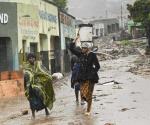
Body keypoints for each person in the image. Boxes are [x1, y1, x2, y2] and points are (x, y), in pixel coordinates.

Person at [69, 37, 100, 115]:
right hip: (82, 77)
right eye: (82, 48)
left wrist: (93, 72)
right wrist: (74, 40)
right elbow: (71, 49)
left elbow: (97, 66)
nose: (82, 49)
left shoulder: (92, 55)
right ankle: (86, 101)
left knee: (89, 93)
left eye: (84, 48)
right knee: (83, 93)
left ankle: (88, 110)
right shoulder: (81, 54)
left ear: (88, 49)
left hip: (91, 78)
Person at [23, 53, 55, 118]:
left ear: (35, 58)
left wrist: (50, 77)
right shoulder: (26, 68)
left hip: (39, 85)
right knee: (32, 101)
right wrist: (27, 88)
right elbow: (26, 79)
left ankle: (46, 111)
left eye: (32, 58)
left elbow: (45, 72)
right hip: (31, 88)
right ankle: (33, 115)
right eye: (30, 58)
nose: (31, 59)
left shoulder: (39, 65)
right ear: (28, 59)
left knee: (43, 97)